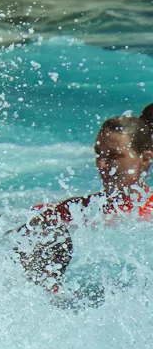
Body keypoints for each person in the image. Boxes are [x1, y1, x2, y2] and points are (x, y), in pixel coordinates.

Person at [16, 112, 153, 293]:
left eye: (113, 156)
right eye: (99, 154)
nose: (102, 165)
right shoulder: (77, 210)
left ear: (145, 159)